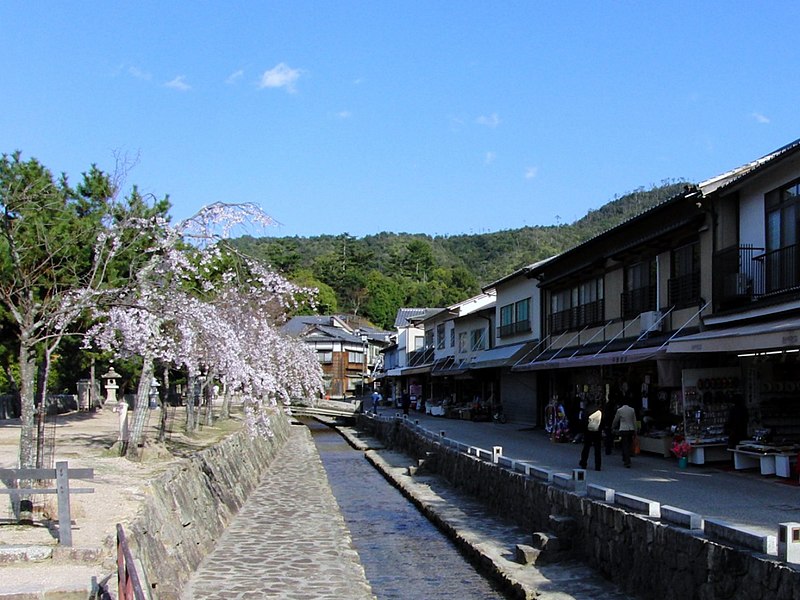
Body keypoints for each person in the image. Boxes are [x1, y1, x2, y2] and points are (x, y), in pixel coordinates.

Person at [612, 402, 637, 468]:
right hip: (630, 429)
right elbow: (634, 421)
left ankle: (626, 460)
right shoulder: (632, 410)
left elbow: (616, 420)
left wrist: (613, 426)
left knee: (624, 444)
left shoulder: (620, 410)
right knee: (629, 444)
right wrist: (635, 430)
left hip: (623, 429)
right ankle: (627, 457)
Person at [579, 402, 603, 471]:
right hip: (597, 432)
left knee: (586, 447)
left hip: (588, 431)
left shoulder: (587, 410)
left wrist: (584, 430)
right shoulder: (599, 411)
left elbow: (583, 421)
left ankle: (583, 463)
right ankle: (598, 465)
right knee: (597, 449)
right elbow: (603, 421)